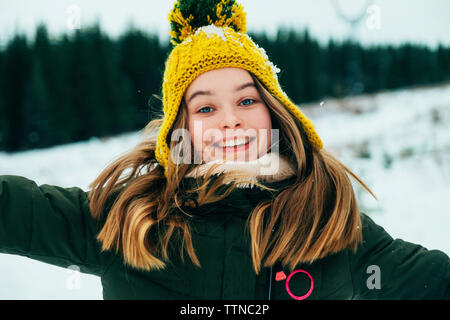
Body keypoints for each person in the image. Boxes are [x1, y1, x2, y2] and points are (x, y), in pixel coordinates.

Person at [0, 0, 449, 300]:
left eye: (247, 100)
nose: (230, 120)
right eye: (206, 107)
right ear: (184, 128)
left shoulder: (330, 224)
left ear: (275, 112)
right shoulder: (122, 219)